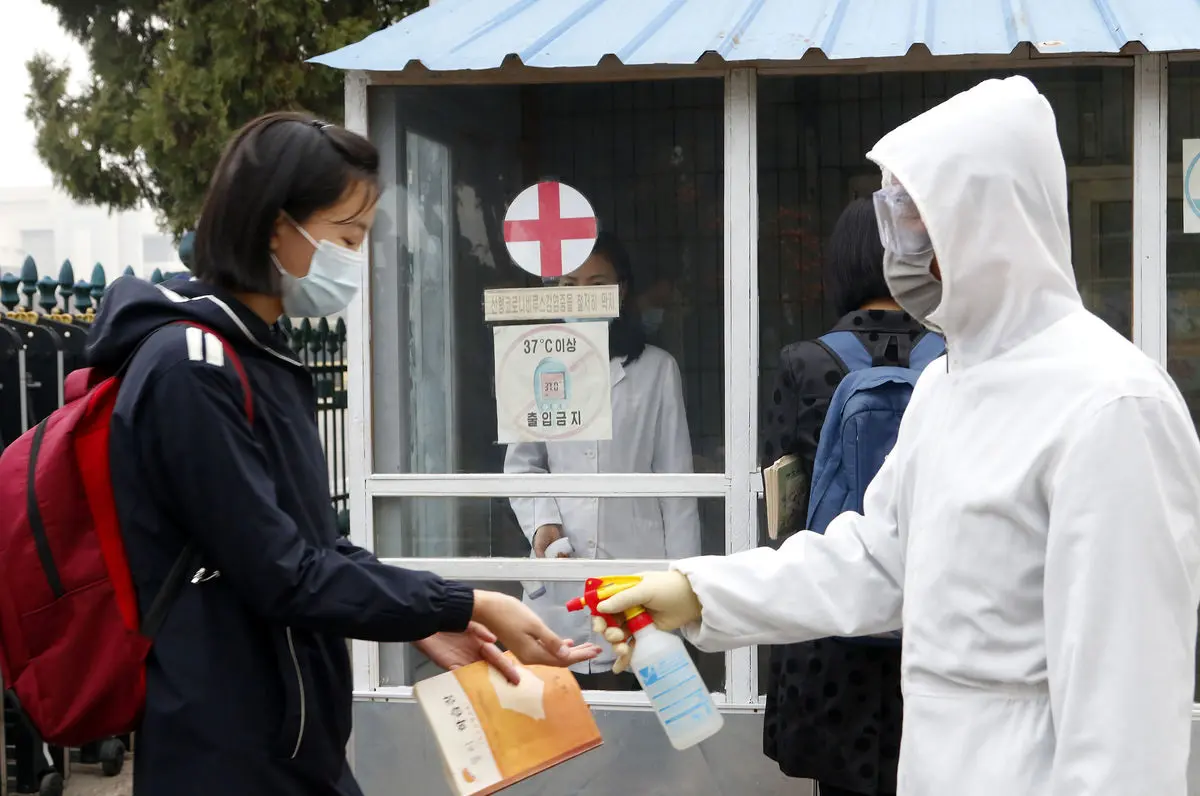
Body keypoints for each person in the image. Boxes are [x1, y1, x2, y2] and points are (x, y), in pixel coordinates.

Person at [597, 76, 1200, 795]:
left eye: (915, 215)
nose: (898, 241)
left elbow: (1126, 721)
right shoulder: (947, 384)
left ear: (988, 222)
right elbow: (878, 561)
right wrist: (699, 591)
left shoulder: (1110, 404)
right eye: (893, 212)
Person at [86, 112, 599, 796]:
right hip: (225, 753)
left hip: (293, 741)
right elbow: (284, 574)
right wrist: (465, 602)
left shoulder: (259, 357)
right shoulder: (190, 368)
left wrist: (430, 622)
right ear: (276, 227)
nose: (357, 258)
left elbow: (316, 547)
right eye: (347, 236)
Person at [761, 198, 920, 796]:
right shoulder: (956, 361)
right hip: (928, 625)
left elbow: (782, 511)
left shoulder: (803, 364)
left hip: (832, 628)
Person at [504, 231, 701, 689]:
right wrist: (543, 525)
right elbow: (523, 465)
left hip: (638, 574)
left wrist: (685, 583)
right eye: (569, 284)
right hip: (560, 579)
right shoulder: (534, 365)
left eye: (597, 284)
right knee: (563, 729)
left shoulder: (656, 369)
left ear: (622, 289)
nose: (582, 296)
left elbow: (677, 484)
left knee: (643, 725)